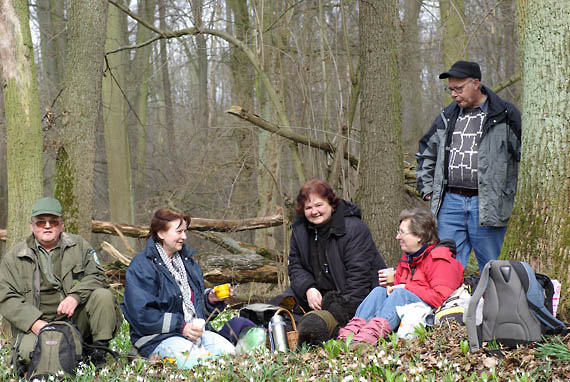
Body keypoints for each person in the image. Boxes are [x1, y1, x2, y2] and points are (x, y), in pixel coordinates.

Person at [416, 60, 522, 271]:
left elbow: (523, 156)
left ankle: (492, 304)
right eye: (451, 90)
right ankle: (452, 304)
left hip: (488, 204)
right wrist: (427, 188)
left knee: (493, 267)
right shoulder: (447, 116)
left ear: (476, 84)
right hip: (450, 203)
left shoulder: (505, 115)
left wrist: (511, 193)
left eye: (459, 88)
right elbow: (427, 151)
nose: (454, 94)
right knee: (444, 265)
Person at [0, 197, 121, 373]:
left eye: (53, 222)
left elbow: (98, 276)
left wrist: (75, 296)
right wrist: (33, 322)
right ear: (31, 227)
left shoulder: (79, 245)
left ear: (61, 226)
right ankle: (68, 356)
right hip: (35, 324)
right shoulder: (14, 257)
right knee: (29, 356)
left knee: (103, 296)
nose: (47, 226)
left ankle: (96, 354)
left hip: (74, 319)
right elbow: (5, 296)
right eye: (41, 222)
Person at [121, 208, 238, 361]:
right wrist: (181, 326)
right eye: (179, 232)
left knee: (229, 354)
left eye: (185, 231)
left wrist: (211, 299)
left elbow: (193, 308)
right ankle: (141, 356)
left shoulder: (187, 262)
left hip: (196, 334)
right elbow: (141, 314)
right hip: (157, 338)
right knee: (196, 361)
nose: (184, 236)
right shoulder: (142, 266)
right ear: (161, 233)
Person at [338, 208, 464, 345]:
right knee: (379, 291)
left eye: (402, 233)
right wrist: (390, 287)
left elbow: (442, 299)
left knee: (401, 294)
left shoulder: (440, 260)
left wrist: (406, 288)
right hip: (407, 313)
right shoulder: (408, 258)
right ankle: (350, 334)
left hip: (431, 316)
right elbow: (397, 292)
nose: (398, 237)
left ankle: (369, 337)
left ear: (419, 236)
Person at [285, 178, 386, 319]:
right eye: (308, 208)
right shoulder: (300, 231)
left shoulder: (353, 228)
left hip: (352, 299)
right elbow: (296, 266)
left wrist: (341, 310)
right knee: (279, 309)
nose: (314, 212)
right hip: (317, 297)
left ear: (331, 205)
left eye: (319, 205)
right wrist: (308, 288)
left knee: (316, 324)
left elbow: (359, 277)